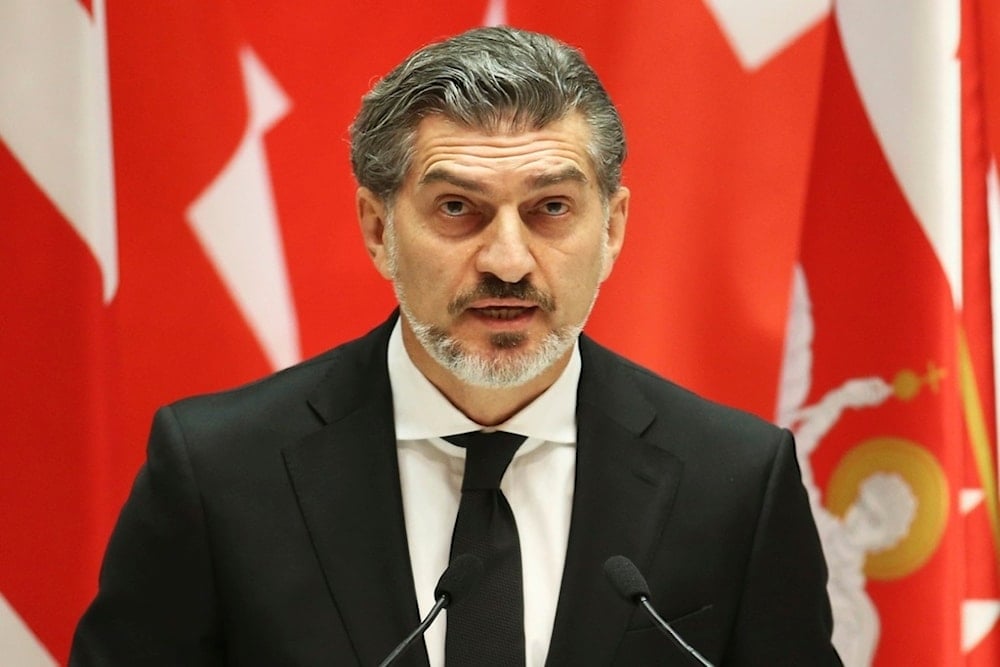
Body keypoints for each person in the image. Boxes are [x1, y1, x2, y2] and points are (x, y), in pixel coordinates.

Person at [70, 26, 841, 666]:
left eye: (550, 208)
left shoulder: (734, 479)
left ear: (611, 229)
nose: (508, 259)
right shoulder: (219, 471)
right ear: (378, 229)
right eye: (456, 208)